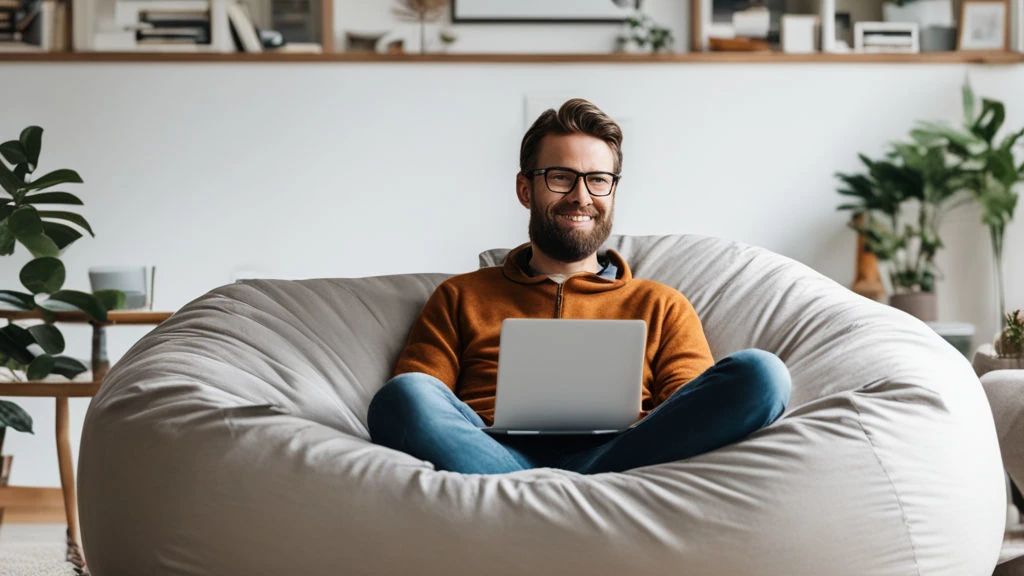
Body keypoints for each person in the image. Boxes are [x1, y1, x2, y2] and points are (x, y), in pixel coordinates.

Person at [367, 98, 791, 475]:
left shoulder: (660, 303)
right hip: (490, 454)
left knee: (762, 374)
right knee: (405, 395)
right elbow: (420, 399)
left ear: (613, 190)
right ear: (524, 189)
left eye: (598, 180)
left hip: (622, 456)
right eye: (560, 177)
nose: (581, 196)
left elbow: (689, 407)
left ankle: (538, 499)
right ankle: (543, 495)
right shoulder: (461, 296)